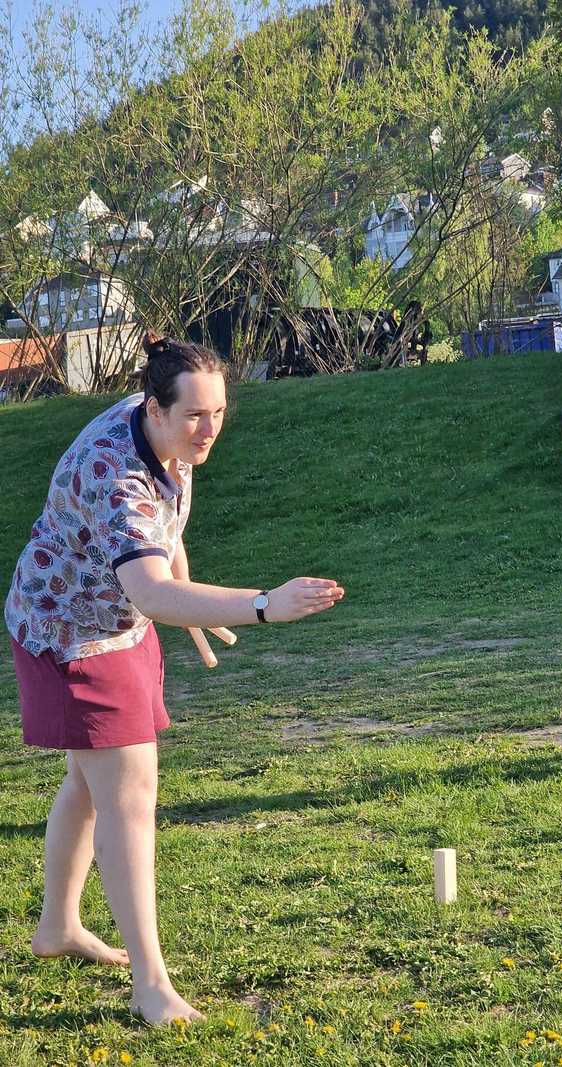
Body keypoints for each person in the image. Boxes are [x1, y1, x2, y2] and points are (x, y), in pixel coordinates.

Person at [4, 332, 345, 1023]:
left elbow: (166, 538)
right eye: (195, 415)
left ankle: (57, 926)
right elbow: (149, 586)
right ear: (154, 409)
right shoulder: (115, 471)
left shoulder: (169, 431)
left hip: (117, 618)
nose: (210, 428)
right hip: (68, 631)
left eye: (219, 411)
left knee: (90, 782)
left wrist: (188, 590)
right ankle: (151, 985)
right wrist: (261, 605)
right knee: (129, 793)